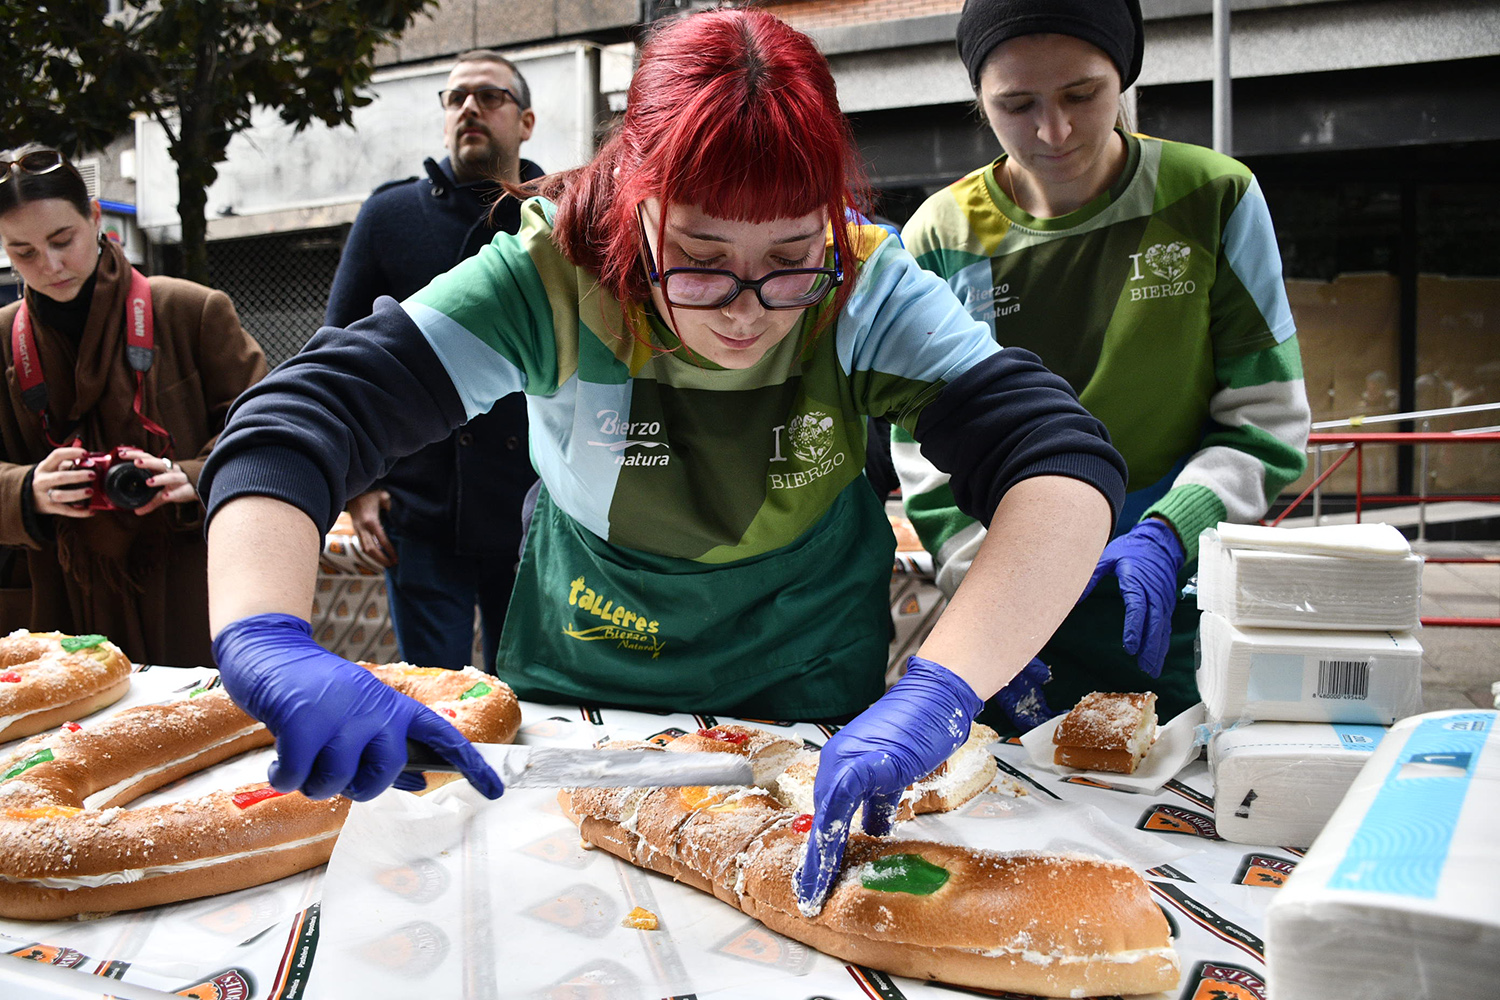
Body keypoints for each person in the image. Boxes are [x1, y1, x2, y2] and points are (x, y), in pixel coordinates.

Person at [200, 8, 1128, 914]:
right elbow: (298, 417)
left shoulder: (865, 281)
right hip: (593, 660)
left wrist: (942, 687)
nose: (747, 309)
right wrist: (262, 637)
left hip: (802, 667)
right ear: (636, 209)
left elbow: (1058, 463)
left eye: (791, 257)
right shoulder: (552, 272)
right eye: (701, 258)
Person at [896, 0, 1311, 727]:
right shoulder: (942, 235)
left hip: (1176, 581)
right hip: (1011, 576)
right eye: (1015, 104)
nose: (1051, 132)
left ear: (1122, 78)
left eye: (1081, 95)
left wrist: (1171, 529)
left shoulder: (1213, 197)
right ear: (978, 101)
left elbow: (1266, 420)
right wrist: (986, 583)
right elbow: (921, 448)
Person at [0, 145, 266, 666]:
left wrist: (190, 475)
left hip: (187, 587)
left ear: (95, 218)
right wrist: (27, 489)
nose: (50, 265)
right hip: (53, 604)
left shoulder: (189, 311)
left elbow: (269, 435)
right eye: (23, 252)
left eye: (62, 240)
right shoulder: (2, 337)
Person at [326, 49, 545, 672]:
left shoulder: (557, 215)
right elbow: (342, 351)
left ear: (526, 120)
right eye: (455, 98)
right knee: (435, 699)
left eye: (490, 96)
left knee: (532, 697)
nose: (470, 107)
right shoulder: (389, 215)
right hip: (420, 509)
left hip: (532, 506)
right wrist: (360, 488)